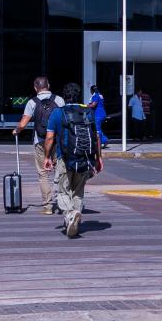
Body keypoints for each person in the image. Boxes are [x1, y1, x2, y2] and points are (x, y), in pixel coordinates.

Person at [44, 83, 103, 238]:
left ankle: (71, 214)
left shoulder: (58, 113)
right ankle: (74, 223)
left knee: (62, 191)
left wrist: (47, 157)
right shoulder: (88, 112)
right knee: (78, 191)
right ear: (79, 95)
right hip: (84, 157)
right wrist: (98, 158)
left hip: (65, 158)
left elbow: (50, 137)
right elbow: (96, 136)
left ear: (64, 97)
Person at [12, 76, 65, 215]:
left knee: (43, 174)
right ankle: (62, 203)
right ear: (48, 85)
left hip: (40, 141)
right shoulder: (59, 100)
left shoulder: (32, 102)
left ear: (35, 88)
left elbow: (23, 124)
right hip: (58, 141)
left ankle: (47, 206)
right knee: (59, 173)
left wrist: (16, 131)